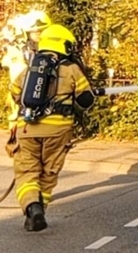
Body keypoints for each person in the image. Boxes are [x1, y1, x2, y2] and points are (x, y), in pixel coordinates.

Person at [7, 21, 96, 232]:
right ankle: (41, 210)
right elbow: (85, 101)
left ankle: (32, 207)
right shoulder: (72, 69)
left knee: (27, 172)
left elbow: (15, 93)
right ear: (65, 45)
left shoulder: (30, 69)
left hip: (27, 129)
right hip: (58, 131)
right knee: (49, 171)